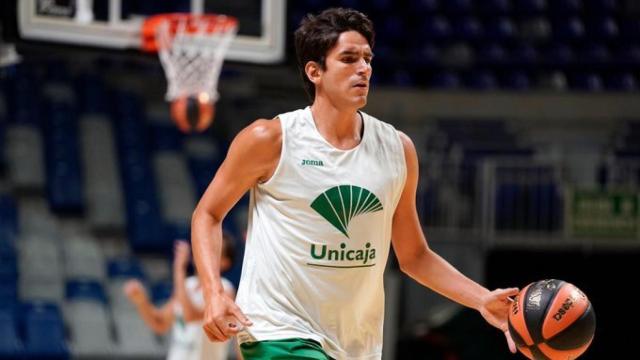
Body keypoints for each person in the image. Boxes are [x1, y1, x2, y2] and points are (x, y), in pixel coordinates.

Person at [190, 7, 519, 360]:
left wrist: (482, 299)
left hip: (356, 344)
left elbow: (414, 256)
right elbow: (207, 214)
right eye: (348, 59)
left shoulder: (397, 149)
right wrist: (213, 292)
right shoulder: (270, 139)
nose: (363, 68)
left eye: (367, 58)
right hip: (279, 332)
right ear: (314, 71)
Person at [123, 237, 236, 360]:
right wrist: (141, 301)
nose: (203, 252)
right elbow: (160, 323)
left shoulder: (225, 290)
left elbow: (190, 316)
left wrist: (179, 269)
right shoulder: (187, 284)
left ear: (225, 262)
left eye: (213, 250)